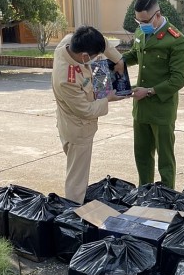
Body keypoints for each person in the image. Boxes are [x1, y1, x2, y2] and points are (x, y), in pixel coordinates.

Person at [116, 0, 184, 189]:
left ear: (157, 15)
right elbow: (135, 54)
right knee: (142, 156)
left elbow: (178, 79)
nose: (141, 25)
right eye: (138, 21)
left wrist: (148, 91)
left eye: (145, 20)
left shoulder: (176, 41)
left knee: (165, 161)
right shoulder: (141, 33)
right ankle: (145, 193)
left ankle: (167, 198)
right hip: (140, 109)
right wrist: (121, 61)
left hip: (161, 110)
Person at [52, 25, 129, 204]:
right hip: (77, 128)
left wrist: (118, 60)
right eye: (94, 56)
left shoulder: (70, 43)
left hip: (93, 92)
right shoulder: (66, 79)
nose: (98, 57)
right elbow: (85, 110)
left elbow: (102, 44)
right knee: (77, 178)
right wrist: (108, 98)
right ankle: (72, 214)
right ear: (85, 56)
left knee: (100, 62)